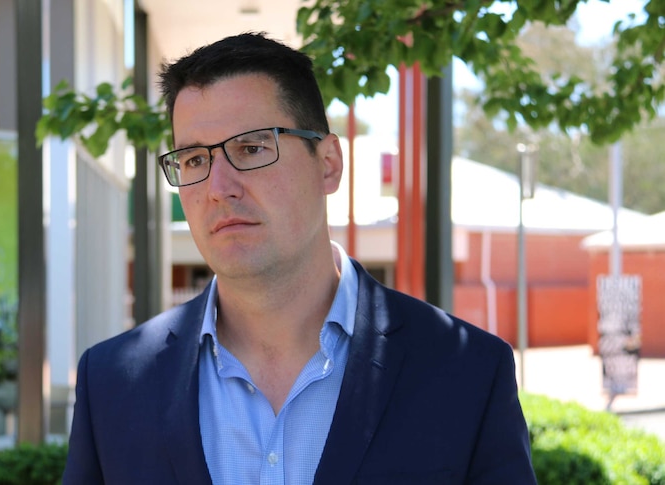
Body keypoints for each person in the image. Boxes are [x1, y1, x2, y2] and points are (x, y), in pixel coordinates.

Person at [62, 32, 536, 484]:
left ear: (328, 163)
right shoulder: (111, 384)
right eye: (194, 160)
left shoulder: (466, 372)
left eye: (250, 148)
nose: (218, 188)